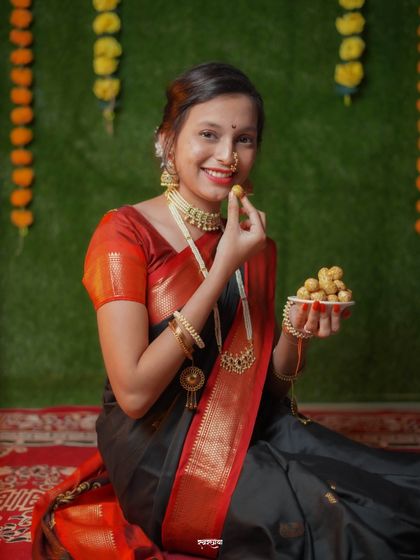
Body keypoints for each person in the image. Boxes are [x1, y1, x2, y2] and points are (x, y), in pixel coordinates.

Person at [32, 62, 420, 560]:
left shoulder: (251, 244)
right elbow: (132, 393)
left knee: (390, 489)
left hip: (252, 431)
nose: (227, 156)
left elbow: (267, 391)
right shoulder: (124, 234)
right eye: (208, 134)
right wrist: (221, 269)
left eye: (245, 139)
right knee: (338, 526)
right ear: (168, 141)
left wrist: (295, 334)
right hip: (160, 459)